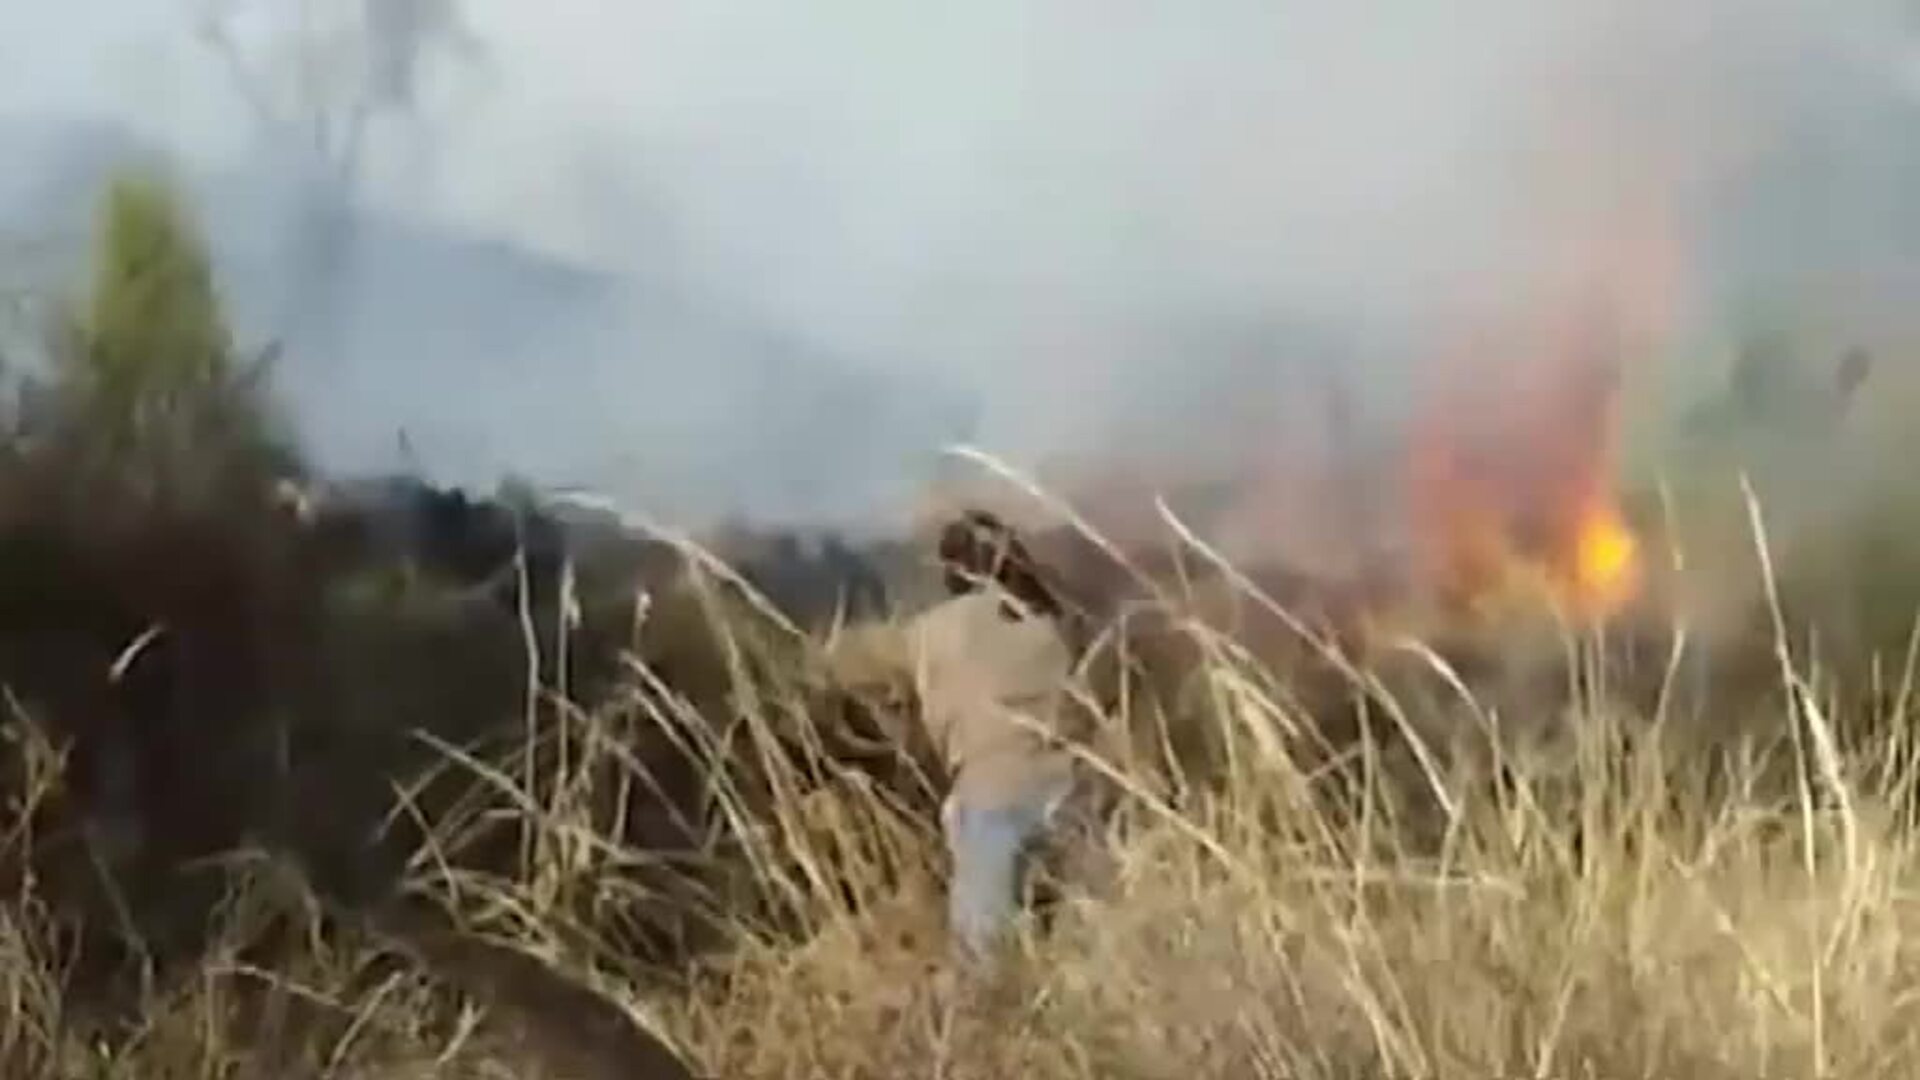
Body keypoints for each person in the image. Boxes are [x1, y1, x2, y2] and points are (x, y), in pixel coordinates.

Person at [841, 509, 1108, 963]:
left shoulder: (933, 631)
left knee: (983, 969)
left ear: (952, 571)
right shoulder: (1058, 619)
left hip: (991, 803)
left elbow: (888, 701)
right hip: (1075, 797)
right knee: (1084, 954)